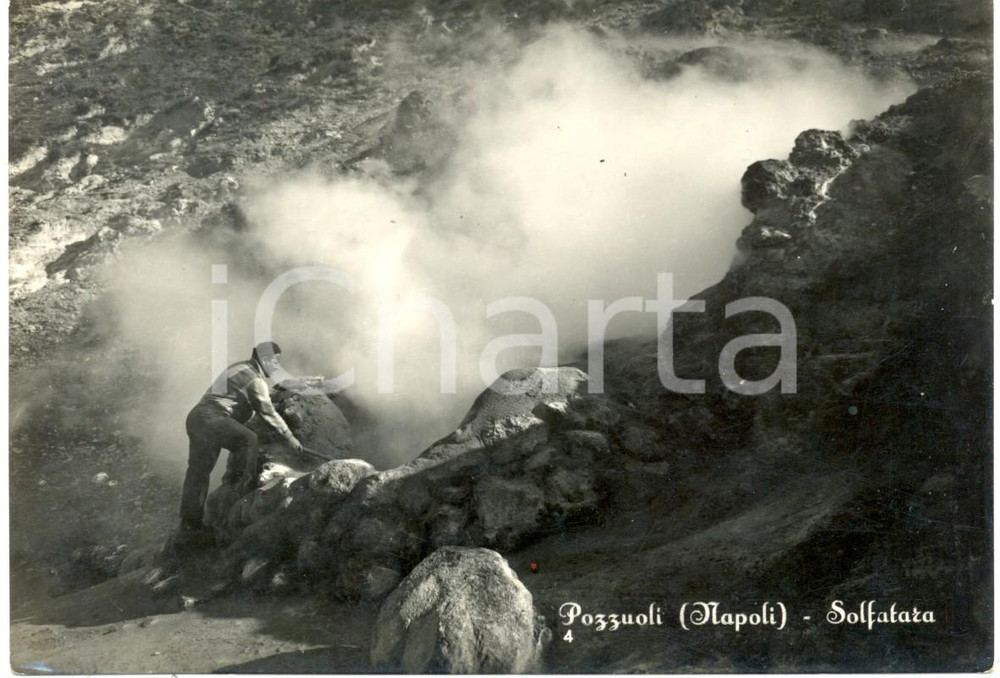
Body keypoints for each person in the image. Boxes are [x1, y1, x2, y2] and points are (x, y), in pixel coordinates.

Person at [178, 341, 303, 540]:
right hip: (212, 418)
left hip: (197, 418)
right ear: (265, 359)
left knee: (198, 472)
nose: (277, 367)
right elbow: (267, 411)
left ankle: (189, 524)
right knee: (249, 440)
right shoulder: (255, 380)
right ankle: (242, 490)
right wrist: (290, 437)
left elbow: (250, 395)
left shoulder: (239, 367)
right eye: (276, 361)